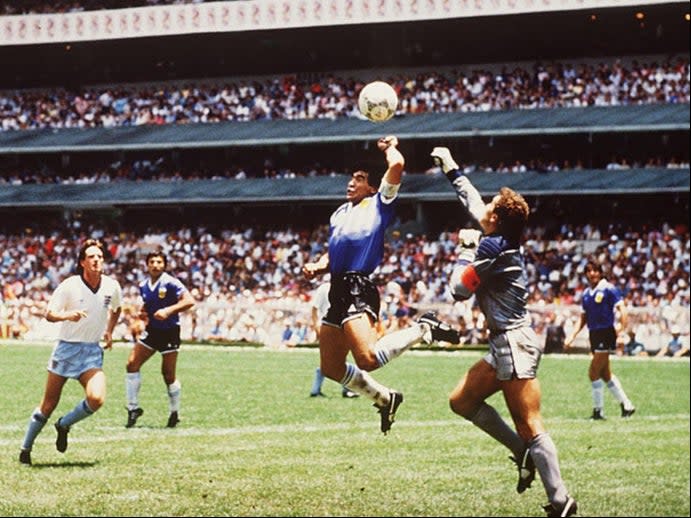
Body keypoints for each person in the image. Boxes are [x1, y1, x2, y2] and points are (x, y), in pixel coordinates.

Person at [430, 146, 577, 518]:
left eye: (491, 207)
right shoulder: (499, 237)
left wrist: (465, 250)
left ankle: (561, 501)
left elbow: (458, 290)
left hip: (513, 342)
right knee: (461, 401)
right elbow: (475, 202)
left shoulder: (493, 248)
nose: (485, 210)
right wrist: (452, 169)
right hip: (504, 342)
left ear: (495, 219)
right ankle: (521, 453)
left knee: (529, 422)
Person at [302, 135, 459, 435]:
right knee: (332, 368)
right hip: (337, 287)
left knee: (368, 359)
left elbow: (397, 164)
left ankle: (423, 329)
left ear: (372, 187)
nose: (351, 183)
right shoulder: (339, 213)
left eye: (359, 179)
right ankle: (386, 398)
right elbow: (334, 249)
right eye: (351, 178)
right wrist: (319, 265)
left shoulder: (380, 203)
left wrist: (390, 148)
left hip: (358, 286)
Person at [19, 239, 123, 466]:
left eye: (100, 256)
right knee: (48, 403)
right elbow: (49, 313)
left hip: (92, 351)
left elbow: (117, 308)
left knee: (96, 398)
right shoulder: (70, 285)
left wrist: (109, 331)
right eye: (91, 257)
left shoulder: (111, 286)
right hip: (66, 348)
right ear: (82, 262)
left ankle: (64, 424)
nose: (96, 260)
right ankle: (25, 449)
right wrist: (67, 315)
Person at [125, 251, 195, 428]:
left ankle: (174, 412)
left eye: (159, 262)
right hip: (153, 331)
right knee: (132, 364)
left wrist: (168, 311)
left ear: (164, 265)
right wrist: (142, 314)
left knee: (168, 374)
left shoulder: (171, 282)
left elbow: (189, 301)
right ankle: (133, 408)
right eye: (152, 262)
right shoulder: (143, 285)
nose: (155, 265)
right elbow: (148, 305)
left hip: (170, 331)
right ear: (147, 265)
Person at [563, 259, 636, 420]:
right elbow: (583, 318)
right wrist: (572, 336)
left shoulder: (609, 289)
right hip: (594, 334)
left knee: (593, 372)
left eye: (595, 270)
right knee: (605, 374)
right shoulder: (586, 294)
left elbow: (623, 310)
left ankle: (598, 411)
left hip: (606, 333)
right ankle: (627, 405)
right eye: (589, 271)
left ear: (600, 272)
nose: (592, 274)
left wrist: (621, 331)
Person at [308, 281, 359, 398]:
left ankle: (317, 390)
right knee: (332, 359)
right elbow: (314, 309)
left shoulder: (346, 288)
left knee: (334, 359)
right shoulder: (325, 288)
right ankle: (345, 390)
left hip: (340, 326)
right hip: (329, 326)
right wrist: (316, 327)